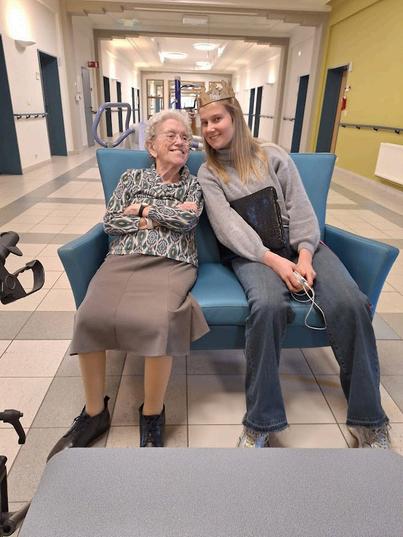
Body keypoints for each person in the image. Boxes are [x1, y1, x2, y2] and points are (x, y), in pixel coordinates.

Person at [197, 80, 390, 449]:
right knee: (268, 306)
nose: (209, 129)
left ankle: (369, 420)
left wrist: (303, 256)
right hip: (254, 254)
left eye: (216, 119)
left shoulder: (272, 156)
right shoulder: (209, 174)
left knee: (351, 302)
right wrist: (276, 264)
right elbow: (228, 228)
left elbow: (301, 209)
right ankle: (261, 422)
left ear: (235, 117)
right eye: (204, 122)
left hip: (299, 245)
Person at [48, 109, 208, 458]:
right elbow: (111, 222)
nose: (181, 142)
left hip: (172, 262)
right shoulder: (131, 177)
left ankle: (152, 414)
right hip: (122, 258)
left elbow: (188, 221)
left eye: (185, 137)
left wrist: (144, 211)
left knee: (161, 322)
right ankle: (94, 413)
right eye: (171, 135)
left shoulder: (193, 184)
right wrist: (161, 215)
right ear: (151, 146)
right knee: (89, 316)